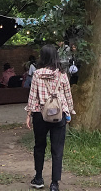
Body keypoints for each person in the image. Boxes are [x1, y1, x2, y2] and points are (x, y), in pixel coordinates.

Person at [25, 44, 75, 191]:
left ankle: (39, 178)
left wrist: (29, 114)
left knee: (39, 146)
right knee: (57, 149)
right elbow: (68, 95)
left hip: (41, 114)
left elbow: (32, 96)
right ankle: (54, 184)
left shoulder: (37, 74)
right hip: (59, 114)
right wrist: (69, 112)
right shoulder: (63, 74)